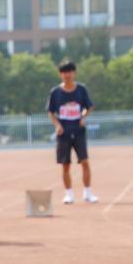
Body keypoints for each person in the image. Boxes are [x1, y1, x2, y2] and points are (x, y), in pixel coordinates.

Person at [47, 60, 96, 204]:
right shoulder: (55, 92)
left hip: (79, 130)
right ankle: (69, 194)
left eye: (69, 72)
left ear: (74, 73)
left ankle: (88, 193)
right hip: (63, 133)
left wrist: (83, 116)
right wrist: (57, 125)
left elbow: (90, 106)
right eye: (64, 72)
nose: (67, 75)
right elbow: (50, 112)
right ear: (60, 74)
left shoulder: (81, 89)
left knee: (85, 162)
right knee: (65, 164)